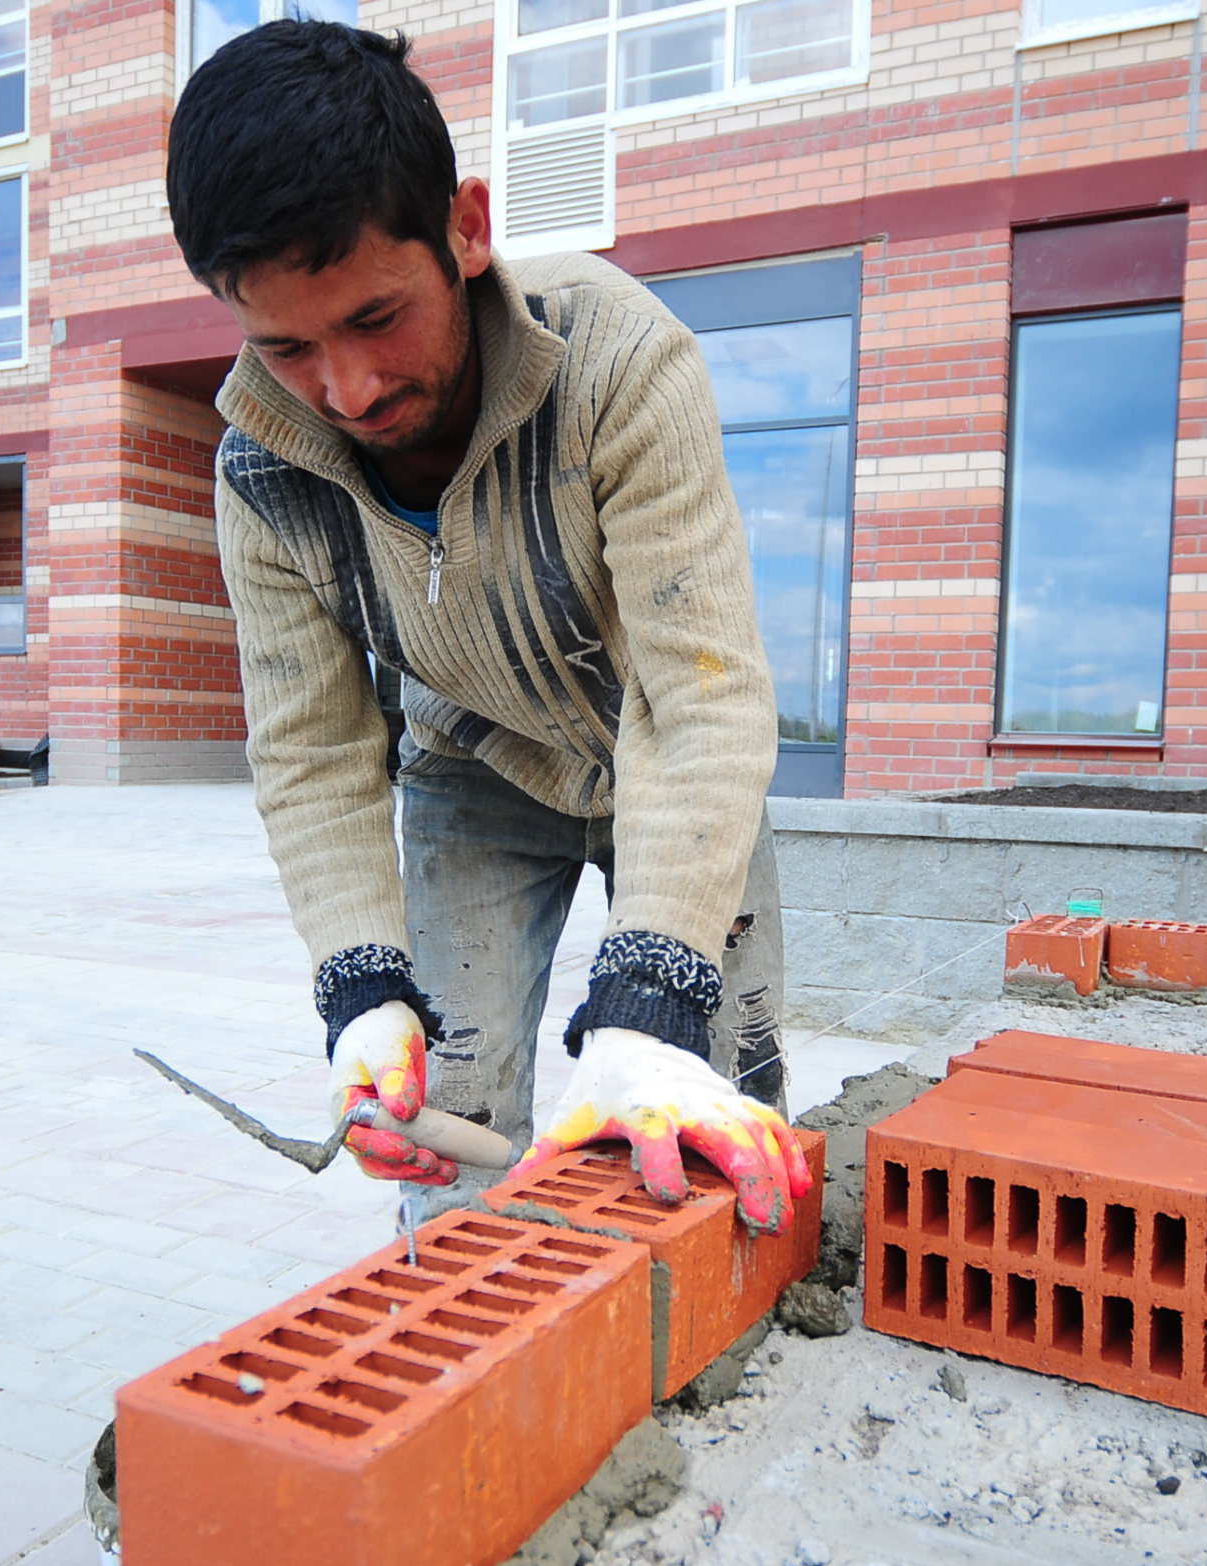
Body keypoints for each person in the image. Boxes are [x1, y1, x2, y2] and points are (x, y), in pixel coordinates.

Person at [165, 19, 810, 1231]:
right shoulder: (261, 464)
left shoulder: (619, 361)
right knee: (442, 1118)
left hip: (664, 753)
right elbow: (311, 747)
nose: (346, 391)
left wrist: (651, 992)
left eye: (374, 318)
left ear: (464, 226)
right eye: (287, 346)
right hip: (469, 763)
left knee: (705, 1091)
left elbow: (704, 691)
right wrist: (359, 986)